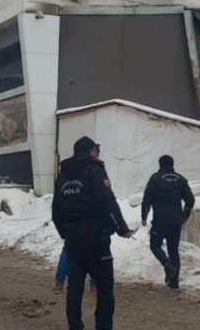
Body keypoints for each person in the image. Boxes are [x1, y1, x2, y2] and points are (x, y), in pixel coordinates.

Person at [52, 137, 130, 330]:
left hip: (73, 240)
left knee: (75, 287)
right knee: (104, 287)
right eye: (96, 149)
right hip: (96, 239)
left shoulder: (62, 176)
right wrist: (121, 227)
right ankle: (103, 326)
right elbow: (107, 201)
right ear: (91, 151)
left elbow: (56, 210)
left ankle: (75, 325)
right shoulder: (95, 170)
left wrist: (66, 233)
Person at [141, 155, 195, 290]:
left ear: (160, 164)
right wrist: (185, 215)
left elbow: (147, 198)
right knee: (173, 250)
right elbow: (190, 200)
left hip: (160, 219)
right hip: (176, 220)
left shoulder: (155, 178)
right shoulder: (181, 179)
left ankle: (167, 265)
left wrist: (144, 216)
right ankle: (174, 282)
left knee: (155, 245)